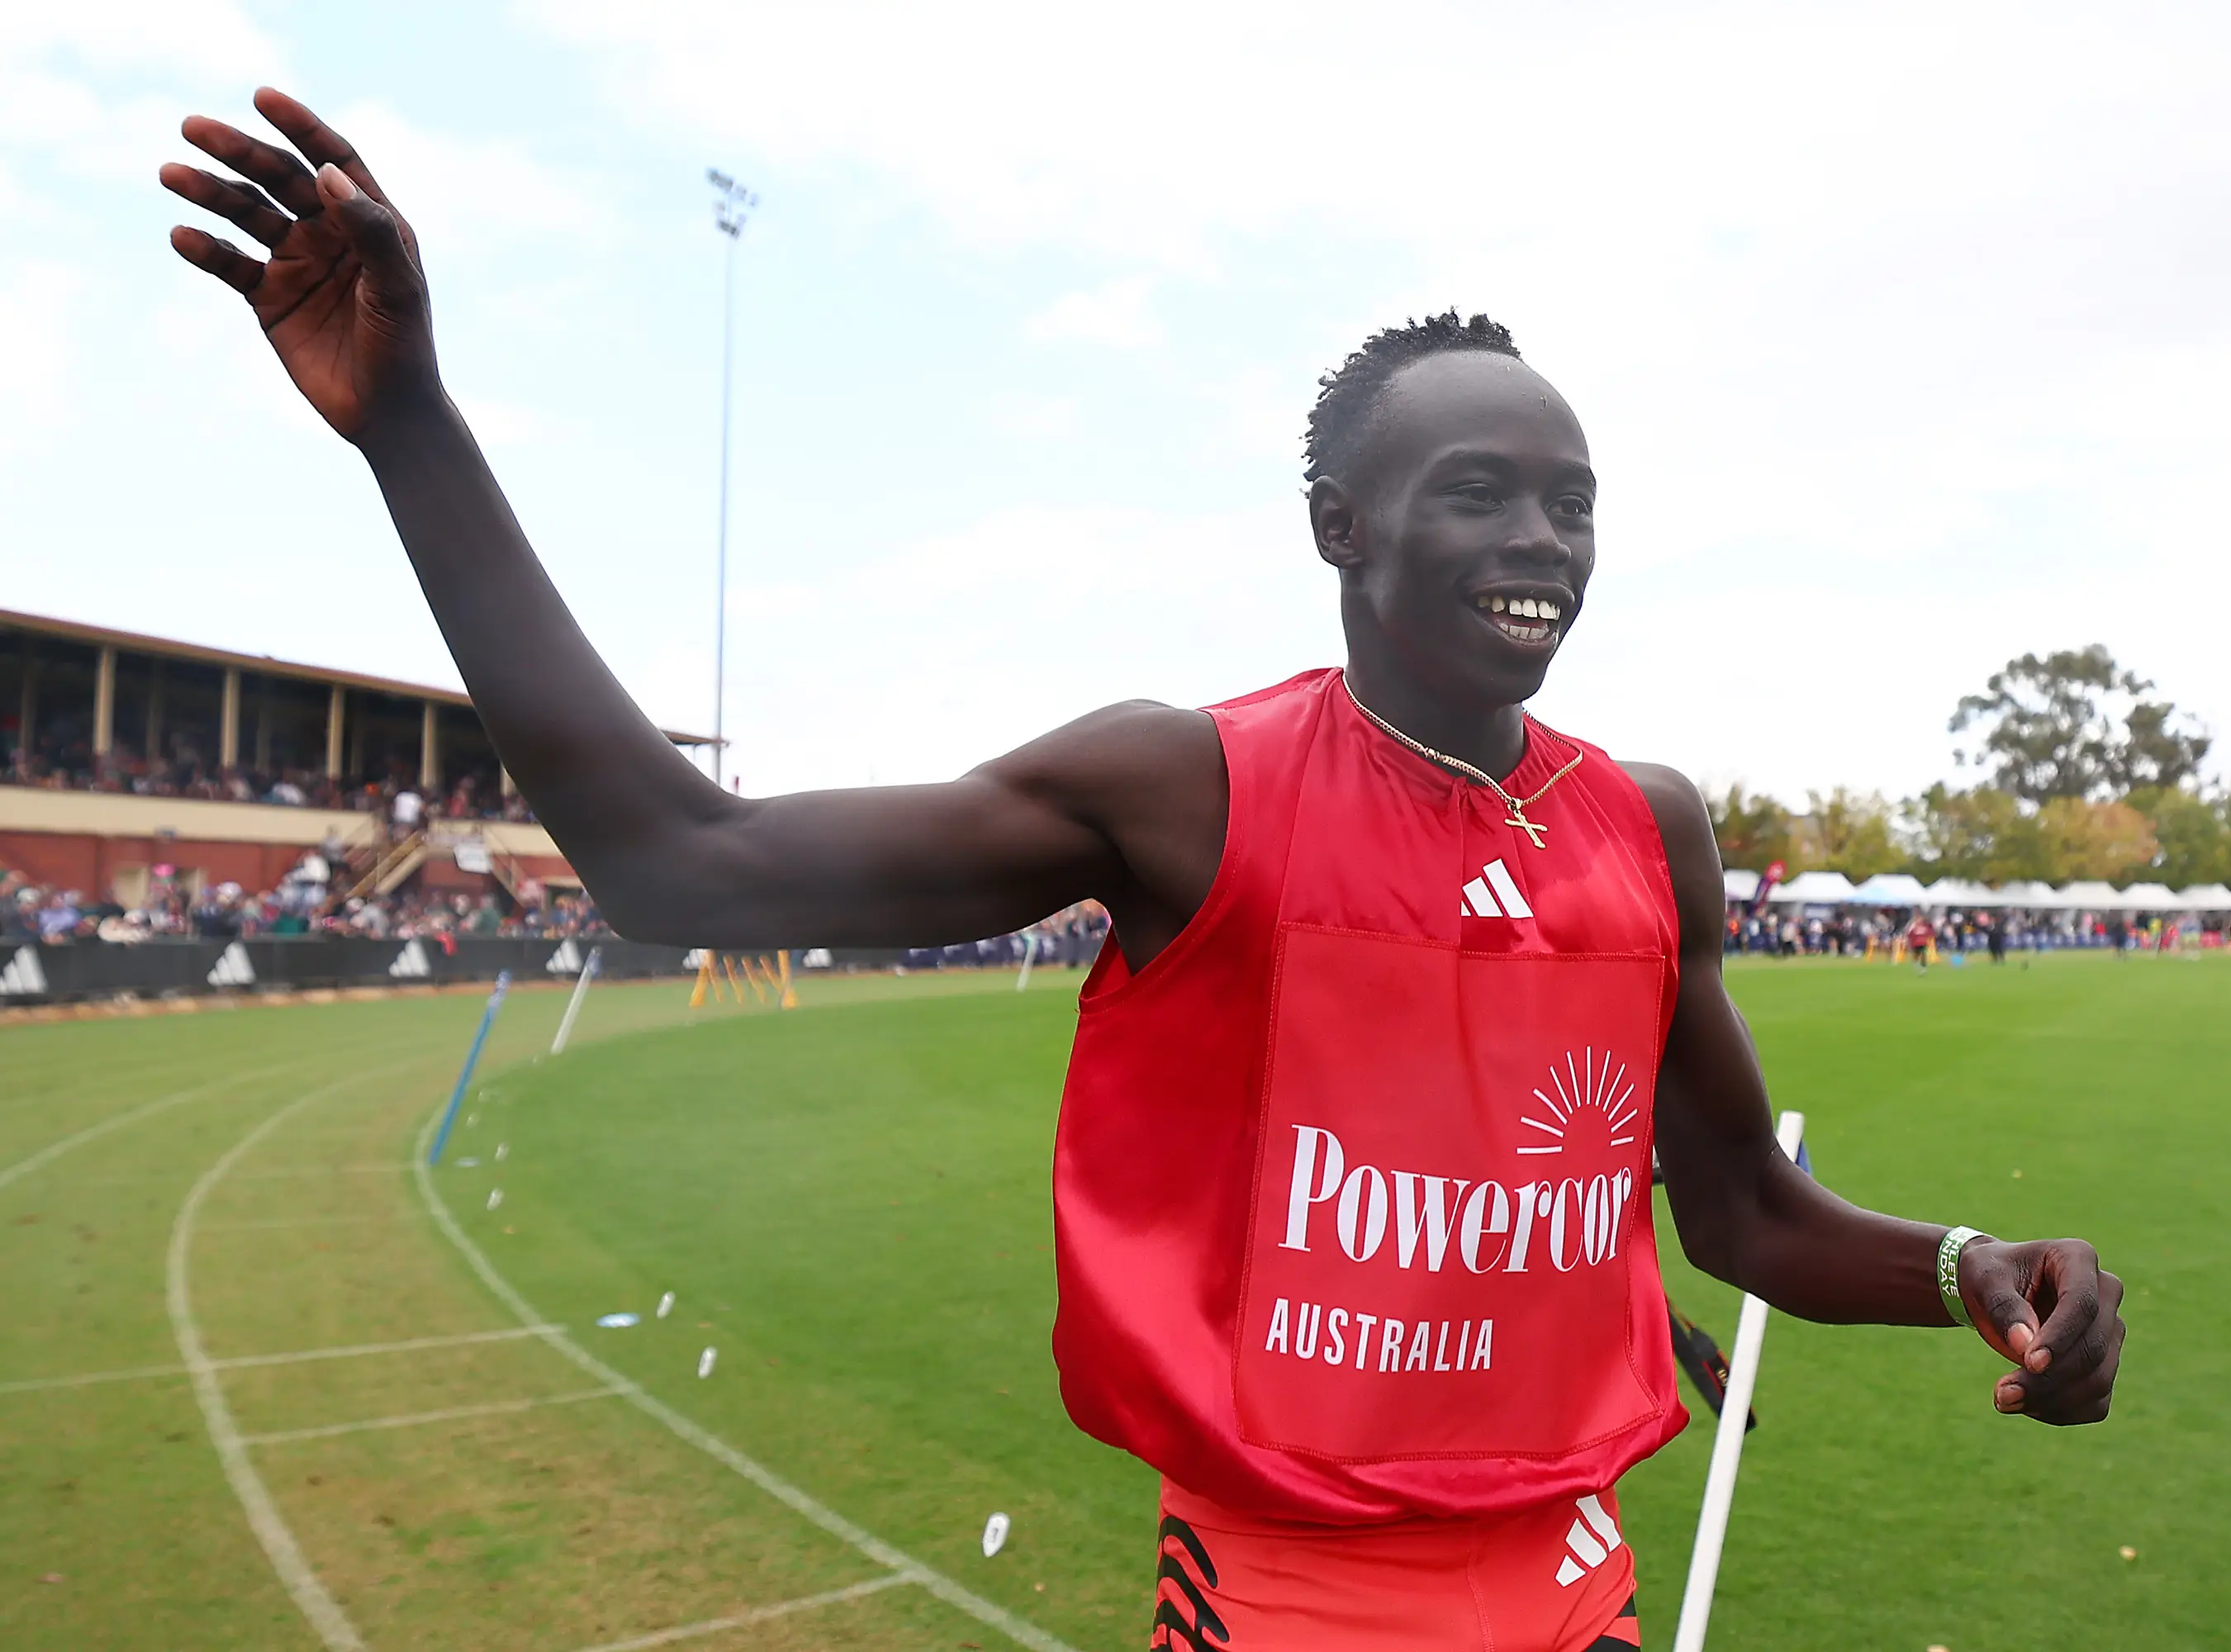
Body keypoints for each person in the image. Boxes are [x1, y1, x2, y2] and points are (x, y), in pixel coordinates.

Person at [163, 91, 2125, 1650]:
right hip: (1283, 1604)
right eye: (1478, 491)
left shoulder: (1649, 824)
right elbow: (685, 859)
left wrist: (1974, 1272)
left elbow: (1743, 1212)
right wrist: (411, 428)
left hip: (1572, 1578)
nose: (1543, 536)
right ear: (1339, 527)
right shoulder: (1182, 792)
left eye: (1573, 499)